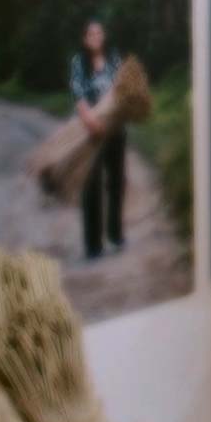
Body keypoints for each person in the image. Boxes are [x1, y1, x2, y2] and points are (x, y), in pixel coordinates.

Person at [70, 19, 126, 260]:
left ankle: (115, 234)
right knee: (91, 186)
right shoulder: (78, 62)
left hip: (115, 127)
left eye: (99, 32)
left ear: (103, 36)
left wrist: (112, 114)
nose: (95, 36)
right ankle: (93, 245)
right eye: (90, 33)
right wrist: (91, 119)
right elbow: (78, 92)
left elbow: (122, 87)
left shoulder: (114, 57)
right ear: (84, 39)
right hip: (91, 132)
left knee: (116, 182)